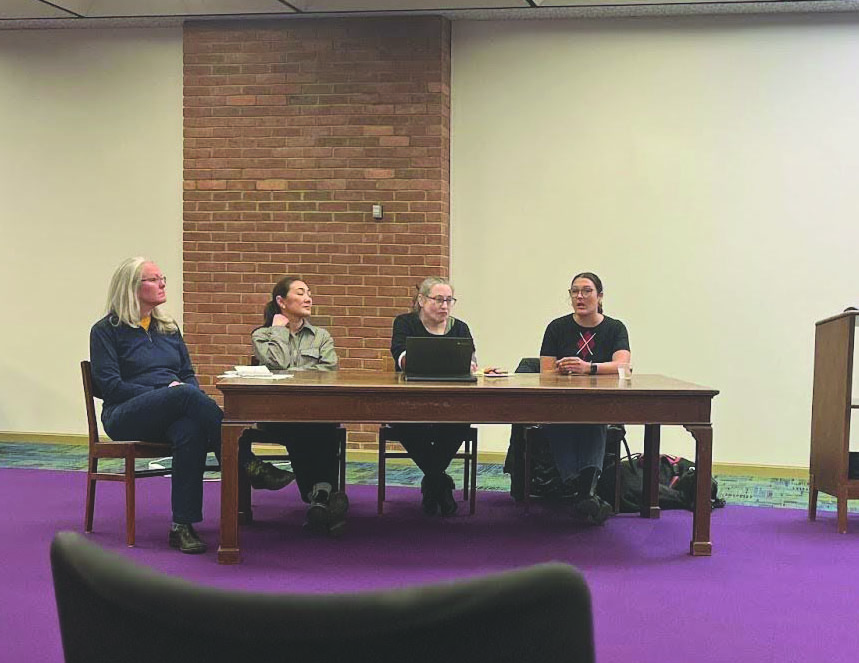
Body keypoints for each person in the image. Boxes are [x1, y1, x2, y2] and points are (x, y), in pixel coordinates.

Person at [89, 258, 291, 554]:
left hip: (172, 409)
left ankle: (182, 526)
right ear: (131, 287)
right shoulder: (106, 330)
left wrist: (181, 392)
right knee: (183, 395)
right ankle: (246, 462)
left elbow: (187, 375)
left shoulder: (168, 328)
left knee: (189, 429)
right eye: (154, 279)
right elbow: (112, 387)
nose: (162, 284)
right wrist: (166, 391)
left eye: (163, 278)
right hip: (125, 413)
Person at [248, 276, 348, 536]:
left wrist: (292, 373)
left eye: (309, 293)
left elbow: (329, 371)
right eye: (301, 293)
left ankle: (318, 497)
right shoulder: (262, 335)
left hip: (316, 410)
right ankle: (323, 493)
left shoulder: (321, 336)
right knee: (302, 426)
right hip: (276, 414)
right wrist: (279, 330)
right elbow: (278, 363)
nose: (308, 298)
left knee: (322, 424)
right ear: (281, 301)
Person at [538, 271, 631, 525]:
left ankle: (582, 492)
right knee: (556, 421)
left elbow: (623, 366)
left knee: (594, 420)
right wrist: (560, 369)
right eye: (575, 291)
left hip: (598, 403)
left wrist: (588, 367)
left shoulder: (614, 328)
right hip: (561, 402)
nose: (580, 296)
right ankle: (586, 494)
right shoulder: (557, 327)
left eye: (587, 291)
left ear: (599, 296)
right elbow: (544, 371)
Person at [389, 277, 476, 516]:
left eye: (449, 300)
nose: (444, 305)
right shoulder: (405, 323)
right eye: (438, 299)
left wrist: (470, 366)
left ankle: (432, 482)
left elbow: (471, 362)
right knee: (403, 424)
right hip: (409, 402)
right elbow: (402, 358)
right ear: (421, 300)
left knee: (460, 421)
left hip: (451, 402)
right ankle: (441, 483)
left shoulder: (460, 327)